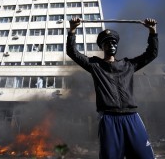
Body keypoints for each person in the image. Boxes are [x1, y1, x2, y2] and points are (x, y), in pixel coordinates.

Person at [66, 17, 158, 159]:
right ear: (102, 47)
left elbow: (151, 53)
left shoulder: (129, 65)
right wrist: (72, 30)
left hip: (132, 117)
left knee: (144, 156)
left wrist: (152, 32)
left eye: (114, 42)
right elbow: (72, 52)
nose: (111, 44)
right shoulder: (95, 65)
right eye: (107, 42)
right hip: (109, 119)